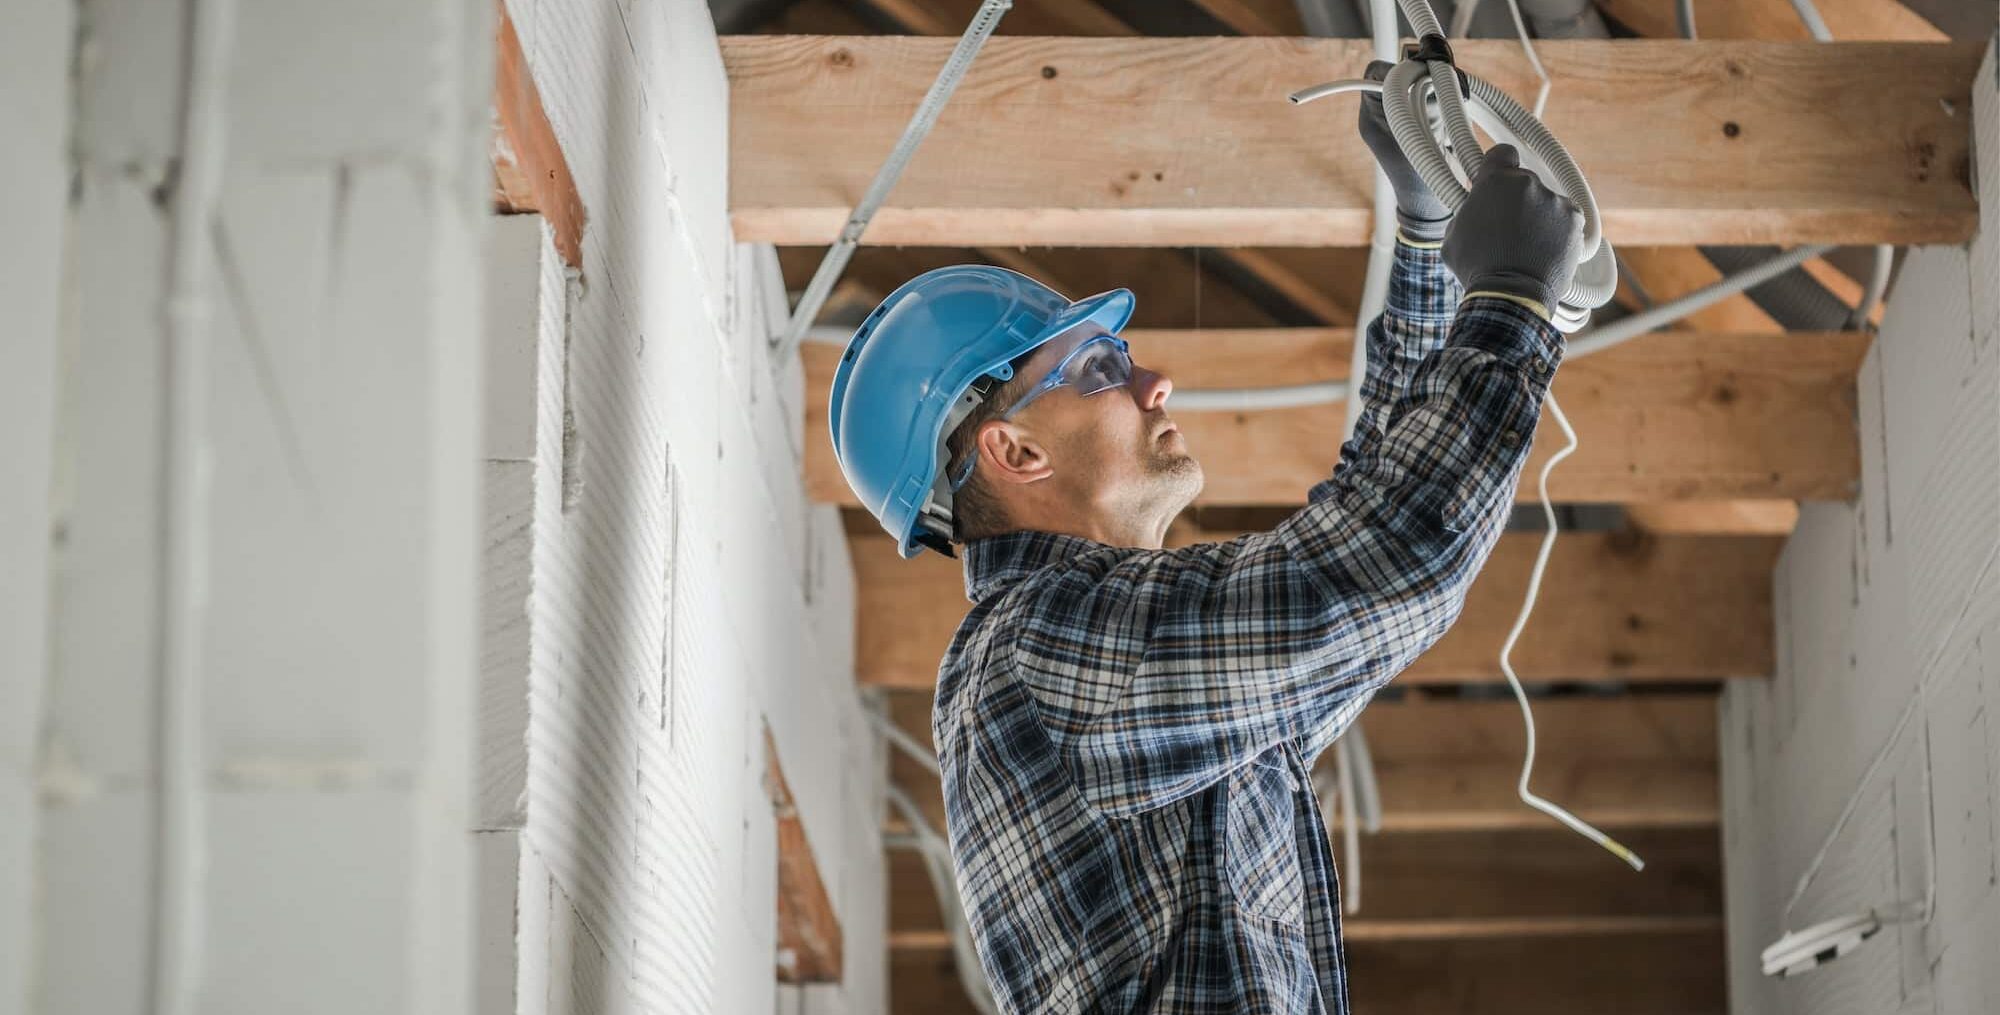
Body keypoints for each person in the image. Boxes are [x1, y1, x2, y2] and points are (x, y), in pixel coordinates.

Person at [826, 61, 1583, 1015]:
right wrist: (1509, 300)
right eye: (1101, 367)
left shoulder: (1114, 672)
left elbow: (1361, 526)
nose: (1155, 385)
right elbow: (1388, 563)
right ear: (1012, 446)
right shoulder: (1035, 653)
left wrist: (1428, 242)